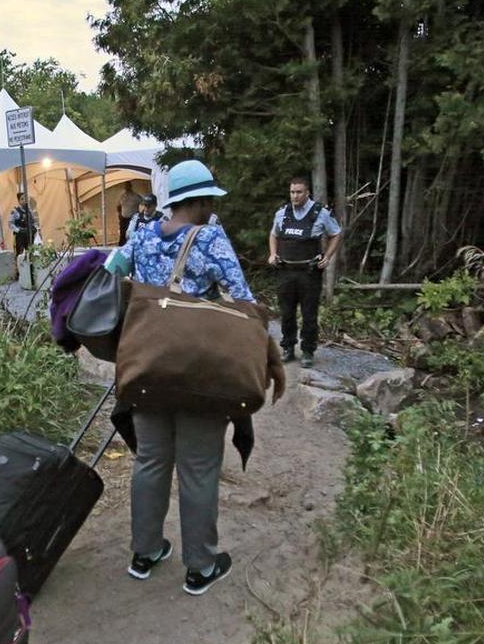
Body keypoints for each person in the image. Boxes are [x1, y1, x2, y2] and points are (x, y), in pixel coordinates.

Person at [106, 160, 285, 594]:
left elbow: (111, 271)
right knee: (199, 468)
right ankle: (200, 565)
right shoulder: (209, 237)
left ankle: (145, 553)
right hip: (199, 372)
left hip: (148, 365)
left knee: (150, 461)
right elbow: (243, 302)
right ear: (200, 201)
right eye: (209, 201)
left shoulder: (142, 233)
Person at [268, 176, 342, 368]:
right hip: (286, 271)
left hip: (309, 272)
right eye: (292, 192)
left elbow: (336, 233)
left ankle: (308, 350)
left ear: (307, 192)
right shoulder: (282, 213)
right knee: (286, 312)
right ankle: (288, 348)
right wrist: (273, 254)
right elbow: (274, 234)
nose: (295, 196)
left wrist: (328, 256)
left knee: (309, 314)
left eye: (299, 192)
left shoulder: (320, 213)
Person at [9, 191, 36, 257]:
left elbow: (33, 221)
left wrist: (33, 229)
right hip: (20, 236)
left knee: (30, 253)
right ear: (19, 201)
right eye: (22, 199)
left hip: (29, 235)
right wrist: (19, 230)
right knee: (19, 254)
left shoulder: (29, 211)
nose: (24, 200)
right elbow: (10, 224)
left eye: (25, 199)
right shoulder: (15, 211)